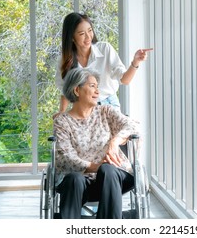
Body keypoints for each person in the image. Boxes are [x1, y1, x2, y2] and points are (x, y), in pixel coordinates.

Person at [53, 67, 140, 219]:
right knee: (75, 178)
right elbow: (64, 157)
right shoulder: (62, 121)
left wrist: (115, 141)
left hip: (113, 179)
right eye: (92, 86)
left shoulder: (105, 112)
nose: (98, 91)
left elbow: (133, 125)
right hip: (80, 183)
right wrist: (94, 167)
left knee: (108, 169)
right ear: (76, 90)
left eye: (97, 87)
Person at [55, 12, 152, 114]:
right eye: (82, 34)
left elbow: (125, 80)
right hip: (83, 109)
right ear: (72, 37)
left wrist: (136, 61)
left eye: (90, 30)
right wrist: (61, 111)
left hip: (108, 106)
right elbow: (65, 89)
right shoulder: (65, 60)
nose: (88, 37)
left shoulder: (104, 49)